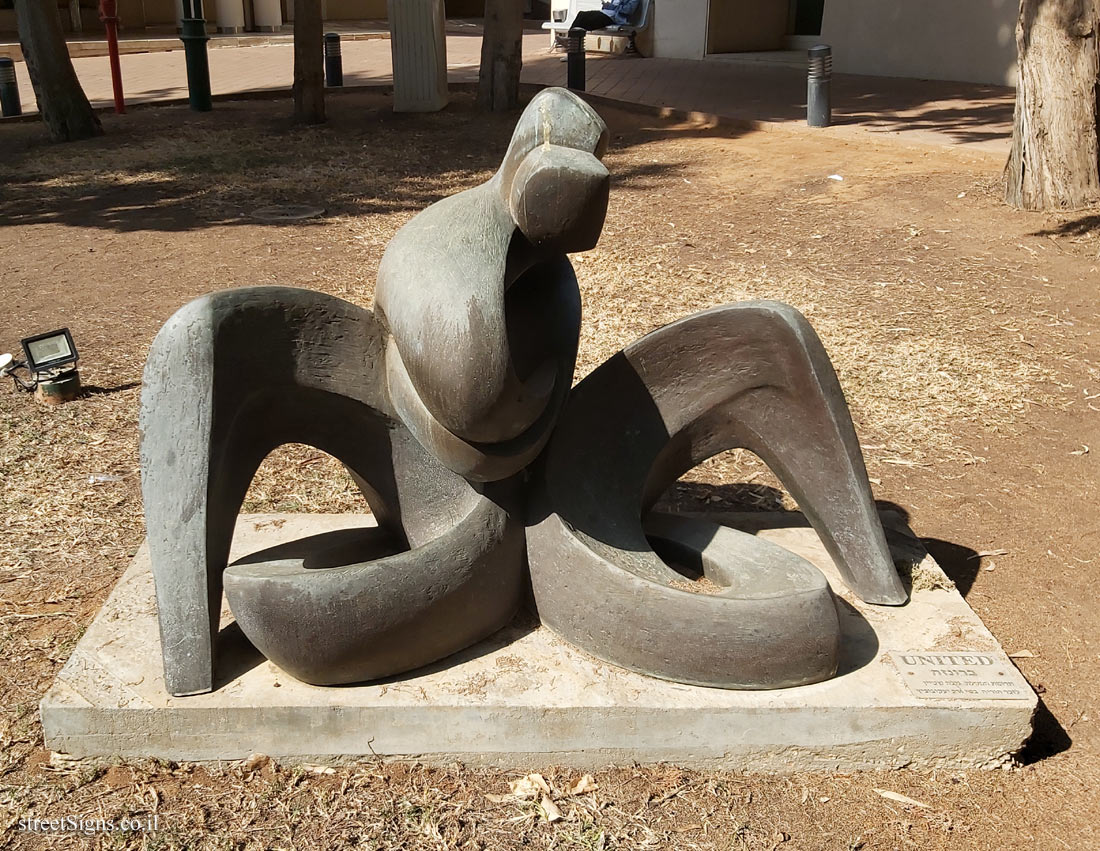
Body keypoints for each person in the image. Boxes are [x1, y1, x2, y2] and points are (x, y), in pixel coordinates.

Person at [572, 0, 640, 31]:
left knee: (583, 21)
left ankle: (570, 45)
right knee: (581, 15)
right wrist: (606, 6)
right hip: (605, 13)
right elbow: (612, 7)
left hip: (613, 18)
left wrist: (611, 6)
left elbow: (628, 10)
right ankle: (570, 43)